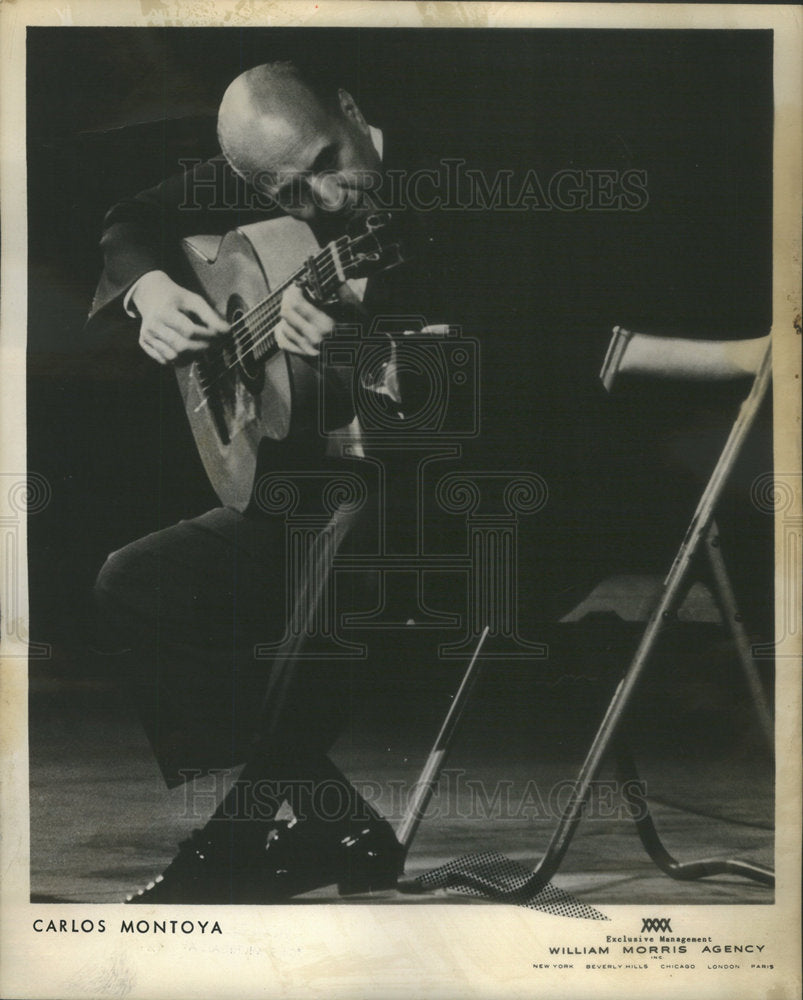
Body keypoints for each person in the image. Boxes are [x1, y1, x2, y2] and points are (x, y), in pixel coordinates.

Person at [88, 62, 455, 903]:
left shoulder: (463, 191)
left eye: (331, 161)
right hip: (329, 491)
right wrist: (150, 291)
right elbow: (133, 220)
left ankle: (242, 835)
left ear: (353, 109)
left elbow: (533, 377)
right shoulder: (280, 168)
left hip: (455, 499)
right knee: (137, 584)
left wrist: (365, 353)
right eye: (289, 191)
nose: (324, 199)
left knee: (350, 527)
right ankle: (340, 827)